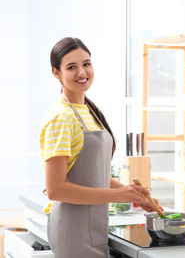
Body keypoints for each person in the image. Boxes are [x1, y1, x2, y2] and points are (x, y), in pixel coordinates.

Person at [40, 37, 163, 257]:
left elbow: (91, 176)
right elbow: (55, 189)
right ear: (56, 73)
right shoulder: (61, 118)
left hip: (93, 226)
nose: (81, 72)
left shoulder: (89, 111)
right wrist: (118, 195)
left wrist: (134, 195)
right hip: (72, 230)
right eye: (71, 67)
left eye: (86, 64)